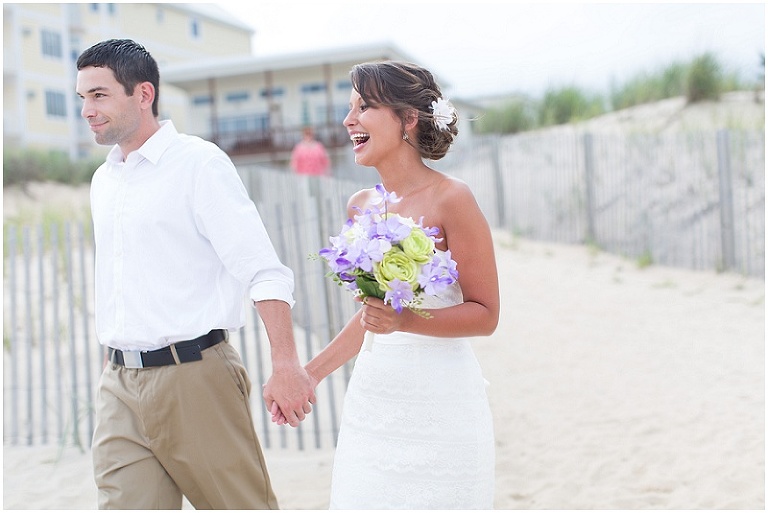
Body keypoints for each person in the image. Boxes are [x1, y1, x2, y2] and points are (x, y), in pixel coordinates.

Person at [75, 38, 315, 510]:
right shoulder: (104, 179)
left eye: (99, 95)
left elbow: (263, 271)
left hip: (195, 378)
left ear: (143, 94)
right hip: (119, 384)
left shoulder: (199, 164)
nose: (87, 109)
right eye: (82, 97)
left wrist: (286, 363)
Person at [273, 61, 500, 509]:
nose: (348, 120)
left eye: (365, 106)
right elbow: (370, 318)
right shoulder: (360, 207)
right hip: (375, 402)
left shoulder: (452, 199)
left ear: (408, 120)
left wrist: (404, 320)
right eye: (349, 107)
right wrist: (308, 375)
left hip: (443, 400)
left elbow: (486, 314)